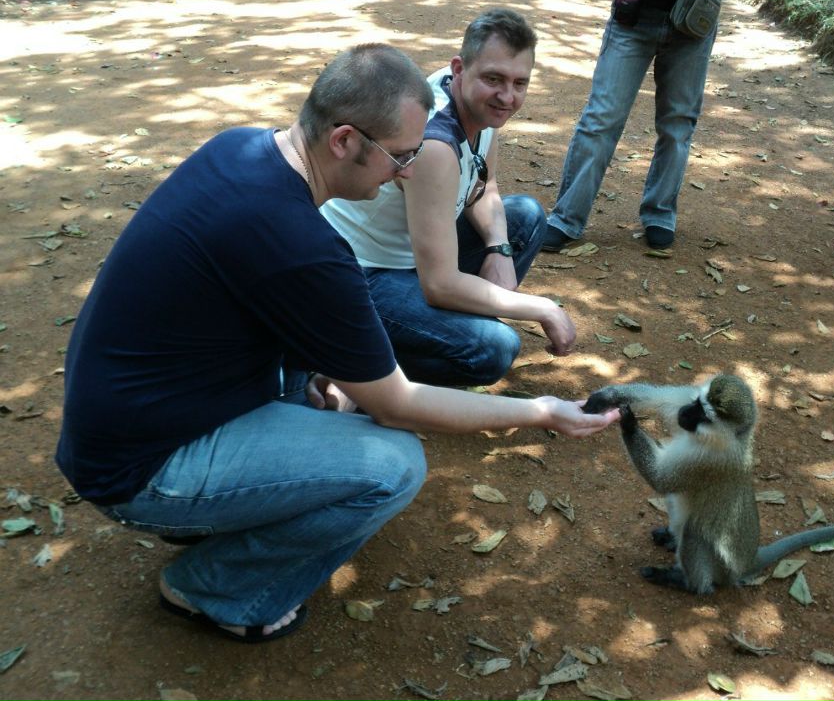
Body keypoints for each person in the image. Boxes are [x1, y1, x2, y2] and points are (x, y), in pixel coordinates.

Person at [55, 44, 618, 644]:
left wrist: (325, 363)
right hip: (141, 468)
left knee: (323, 396)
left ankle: (217, 518)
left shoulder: (241, 147)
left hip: (130, 417)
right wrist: (543, 412)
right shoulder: (305, 250)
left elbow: (255, 302)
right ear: (344, 140)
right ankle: (217, 587)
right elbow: (396, 404)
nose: (405, 171)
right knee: (393, 465)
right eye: (398, 157)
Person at [322, 9, 576, 387]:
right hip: (363, 274)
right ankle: (360, 370)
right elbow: (438, 283)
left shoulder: (478, 107)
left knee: (525, 215)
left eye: (519, 83)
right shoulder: (436, 144)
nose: (507, 97)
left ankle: (438, 327)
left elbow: (484, 187)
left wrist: (499, 249)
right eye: (494, 79)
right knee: (493, 349)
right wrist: (541, 307)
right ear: (459, 68)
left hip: (414, 254)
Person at [541, 0, 791, 252]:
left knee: (678, 121)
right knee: (602, 117)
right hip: (633, 18)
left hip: (693, 20)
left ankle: (659, 213)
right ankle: (566, 218)